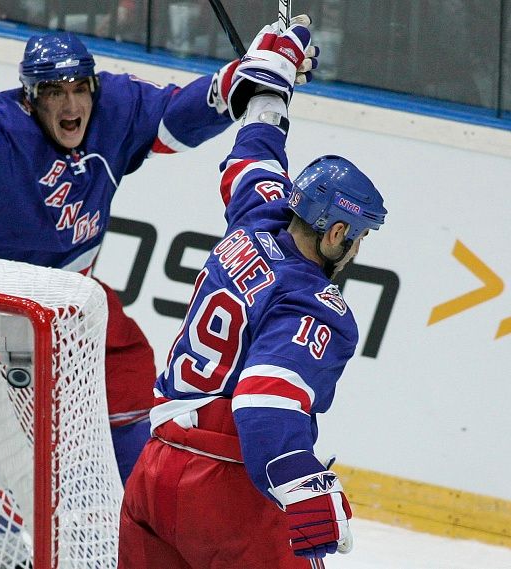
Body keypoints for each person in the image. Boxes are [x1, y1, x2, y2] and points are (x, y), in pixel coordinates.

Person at [0, 29, 243, 569]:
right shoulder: (2, 122)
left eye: (78, 89)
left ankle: (124, 522)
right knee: (41, 428)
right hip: (1, 303)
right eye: (53, 92)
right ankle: (12, 513)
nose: (70, 104)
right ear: (30, 97)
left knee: (130, 372)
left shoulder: (115, 105)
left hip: (73, 302)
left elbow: (180, 114)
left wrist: (247, 77)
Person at [118, 15, 387, 569]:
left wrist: (276, 72)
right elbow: (267, 404)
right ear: (337, 232)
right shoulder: (316, 305)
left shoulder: (256, 219)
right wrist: (305, 495)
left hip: (155, 466)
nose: (356, 250)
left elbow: (255, 146)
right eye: (356, 237)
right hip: (226, 491)